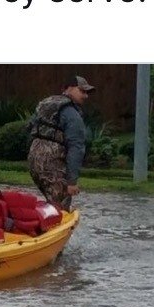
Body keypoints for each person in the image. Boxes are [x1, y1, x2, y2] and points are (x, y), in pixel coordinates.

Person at [28, 76, 95, 210]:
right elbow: (76, 147)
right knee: (61, 206)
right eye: (82, 91)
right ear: (69, 88)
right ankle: (53, 229)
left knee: (52, 203)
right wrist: (72, 182)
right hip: (53, 162)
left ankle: (39, 224)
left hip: (34, 160)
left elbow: (30, 127)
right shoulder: (71, 113)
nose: (86, 96)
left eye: (87, 92)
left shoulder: (47, 105)